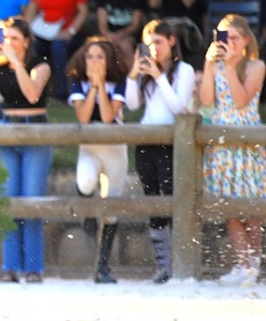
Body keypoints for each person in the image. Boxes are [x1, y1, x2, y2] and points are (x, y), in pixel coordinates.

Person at [0, 16, 51, 283]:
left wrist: (16, 61)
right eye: (6, 39)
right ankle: (9, 267)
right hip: (6, 129)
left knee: (31, 201)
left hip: (35, 130)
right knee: (7, 201)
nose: (9, 43)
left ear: (26, 41)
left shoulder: (41, 66)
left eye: (15, 39)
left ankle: (33, 268)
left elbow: (32, 95)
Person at [125, 19, 195, 284]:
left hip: (171, 142)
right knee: (153, 201)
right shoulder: (146, 70)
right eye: (150, 43)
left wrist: (158, 77)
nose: (154, 48)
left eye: (159, 42)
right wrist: (134, 74)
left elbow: (178, 107)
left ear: (171, 41)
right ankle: (163, 265)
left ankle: (180, 263)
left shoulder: (185, 70)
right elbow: (132, 104)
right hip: (146, 142)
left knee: (173, 199)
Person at [199, 14, 266, 287]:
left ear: (246, 41)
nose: (229, 42)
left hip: (247, 141)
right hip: (222, 141)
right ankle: (242, 263)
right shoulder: (215, 67)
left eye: (234, 37)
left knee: (251, 205)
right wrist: (208, 62)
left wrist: (228, 65)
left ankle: (255, 259)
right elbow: (206, 102)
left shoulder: (255, 66)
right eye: (224, 37)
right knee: (231, 206)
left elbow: (241, 100)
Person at [66, 37, 129, 284]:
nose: (94, 61)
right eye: (90, 56)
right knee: (85, 183)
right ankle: (87, 214)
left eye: (100, 56)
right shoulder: (76, 81)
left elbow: (106, 117)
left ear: (109, 60)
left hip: (115, 148)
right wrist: (91, 86)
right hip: (89, 147)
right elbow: (83, 116)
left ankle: (102, 265)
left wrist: (101, 84)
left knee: (111, 207)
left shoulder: (120, 82)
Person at [24, 0, 87, 100]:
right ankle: (34, 90)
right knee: (32, 47)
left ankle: (61, 93)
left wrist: (70, 32)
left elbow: (83, 11)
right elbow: (32, 8)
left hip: (67, 32)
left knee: (58, 46)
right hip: (43, 31)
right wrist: (25, 31)